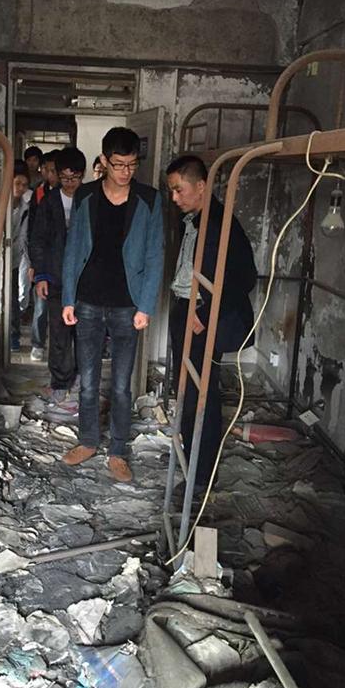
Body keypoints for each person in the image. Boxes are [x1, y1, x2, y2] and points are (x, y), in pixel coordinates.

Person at [61, 127, 164, 482]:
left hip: (127, 305)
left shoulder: (149, 199)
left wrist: (145, 306)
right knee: (88, 380)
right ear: (104, 161)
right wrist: (68, 298)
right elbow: (73, 249)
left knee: (121, 385)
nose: (125, 172)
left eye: (132, 165)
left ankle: (118, 450)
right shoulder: (86, 195)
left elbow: (154, 255)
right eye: (118, 164)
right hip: (88, 300)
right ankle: (88, 440)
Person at [166, 154, 257, 490]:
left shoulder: (221, 223)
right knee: (187, 392)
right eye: (172, 190)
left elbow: (245, 277)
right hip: (185, 310)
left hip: (201, 317)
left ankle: (201, 477)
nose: (174, 197)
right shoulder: (191, 219)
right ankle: (190, 459)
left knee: (201, 395)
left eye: (179, 189)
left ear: (201, 186)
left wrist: (205, 314)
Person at [31, 147, 86, 400]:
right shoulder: (49, 201)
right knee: (59, 333)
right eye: (65, 178)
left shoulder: (90, 199)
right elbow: (38, 240)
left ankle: (84, 381)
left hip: (85, 281)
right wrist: (41, 275)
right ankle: (60, 383)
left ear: (82, 175)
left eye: (75, 178)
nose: (70, 183)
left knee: (85, 334)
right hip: (55, 277)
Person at [27, 150, 60, 361]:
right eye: (46, 169)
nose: (49, 174)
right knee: (40, 306)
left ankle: (58, 349)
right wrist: (33, 263)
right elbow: (33, 231)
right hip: (42, 260)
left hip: (62, 261)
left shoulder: (73, 195)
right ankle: (37, 344)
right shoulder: (38, 193)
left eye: (53, 170)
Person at [10, 167, 31, 352]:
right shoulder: (1, 204)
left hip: (15, 258)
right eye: (17, 183)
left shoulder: (26, 208)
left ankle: (13, 336)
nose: (21, 188)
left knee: (13, 298)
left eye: (24, 185)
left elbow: (25, 237)